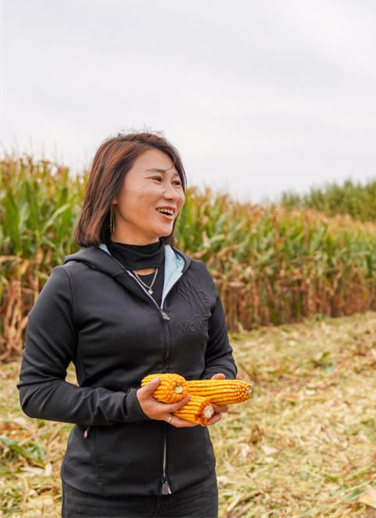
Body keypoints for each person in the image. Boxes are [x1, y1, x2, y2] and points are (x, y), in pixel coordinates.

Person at [18, 132, 237, 517]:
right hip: (105, 494)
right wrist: (131, 405)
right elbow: (36, 391)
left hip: (193, 487)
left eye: (176, 182)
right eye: (157, 179)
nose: (173, 193)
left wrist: (215, 386)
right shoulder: (73, 282)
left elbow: (219, 354)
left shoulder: (194, 276)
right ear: (113, 190)